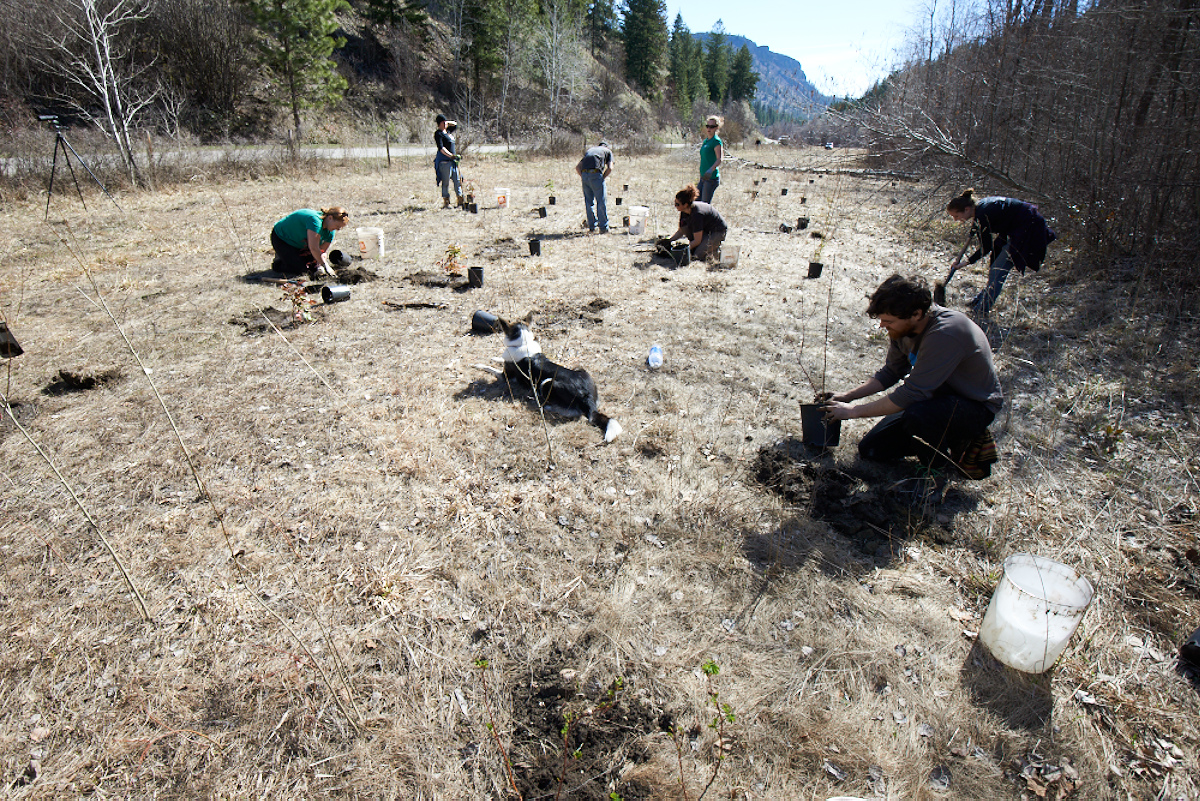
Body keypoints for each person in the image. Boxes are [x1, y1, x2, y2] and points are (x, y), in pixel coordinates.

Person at [824, 274, 1002, 478]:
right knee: (872, 449)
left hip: (973, 406)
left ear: (917, 314)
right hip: (932, 400)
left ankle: (935, 472)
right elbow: (891, 372)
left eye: (888, 321)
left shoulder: (946, 334)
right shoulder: (903, 329)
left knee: (918, 417)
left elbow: (911, 394)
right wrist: (847, 396)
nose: (882, 325)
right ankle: (940, 440)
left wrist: (853, 411)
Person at [946, 189, 1057, 317]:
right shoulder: (980, 210)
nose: (955, 219)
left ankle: (981, 310)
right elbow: (983, 238)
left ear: (966, 209)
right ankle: (979, 301)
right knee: (995, 262)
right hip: (1016, 229)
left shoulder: (983, 214)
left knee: (998, 269)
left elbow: (985, 248)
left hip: (1028, 230)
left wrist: (965, 263)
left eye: (956, 216)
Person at [271, 206, 349, 277]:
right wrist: (326, 266)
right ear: (330, 218)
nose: (338, 229)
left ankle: (290, 257)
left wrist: (320, 264)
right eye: (338, 226)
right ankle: (279, 261)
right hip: (283, 239)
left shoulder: (331, 231)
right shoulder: (315, 221)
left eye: (340, 228)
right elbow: (314, 248)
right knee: (301, 269)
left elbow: (321, 251)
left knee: (312, 267)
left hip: (301, 244)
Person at [669, 184, 727, 261]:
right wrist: (669, 240)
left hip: (718, 232)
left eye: (677, 204)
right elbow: (681, 231)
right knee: (686, 230)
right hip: (705, 230)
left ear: (685, 204)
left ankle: (717, 251)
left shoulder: (697, 214)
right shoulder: (684, 211)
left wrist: (685, 249)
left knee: (696, 256)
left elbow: (697, 240)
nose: (675, 206)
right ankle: (709, 247)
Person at [575, 141, 613, 233]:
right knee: (601, 201)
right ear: (606, 147)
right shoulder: (607, 151)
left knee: (589, 202)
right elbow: (610, 168)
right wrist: (602, 178)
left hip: (584, 174)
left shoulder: (590, 150)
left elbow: (577, 167)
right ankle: (603, 228)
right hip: (596, 174)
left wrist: (585, 177)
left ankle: (592, 226)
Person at [434, 113, 464, 209]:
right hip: (445, 162)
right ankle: (446, 202)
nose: (446, 123)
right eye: (444, 122)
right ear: (441, 123)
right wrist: (451, 156)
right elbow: (441, 148)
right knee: (446, 182)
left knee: (457, 181)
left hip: (453, 162)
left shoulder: (448, 132)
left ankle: (460, 200)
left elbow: (455, 125)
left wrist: (447, 121)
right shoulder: (438, 134)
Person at [698, 116, 724, 204]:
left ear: (717, 128)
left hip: (711, 179)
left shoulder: (716, 141)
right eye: (707, 126)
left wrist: (710, 170)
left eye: (712, 127)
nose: (709, 129)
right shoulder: (706, 141)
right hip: (703, 177)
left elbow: (719, 159)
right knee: (696, 203)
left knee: (704, 205)